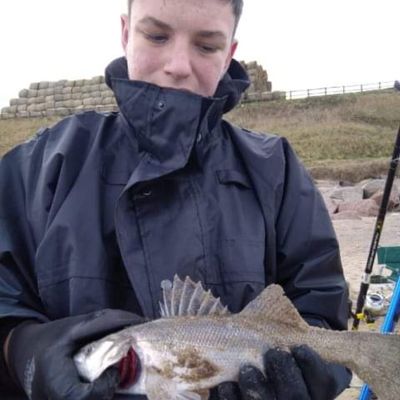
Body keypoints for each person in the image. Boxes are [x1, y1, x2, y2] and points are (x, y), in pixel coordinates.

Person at [0, 0, 352, 399]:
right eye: (156, 35)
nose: (178, 65)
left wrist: (310, 376)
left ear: (229, 54)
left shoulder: (278, 170)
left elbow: (322, 310)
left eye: (206, 46)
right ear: (125, 33)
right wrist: (21, 351)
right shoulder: (37, 168)